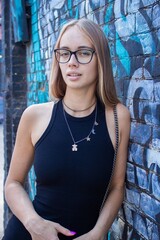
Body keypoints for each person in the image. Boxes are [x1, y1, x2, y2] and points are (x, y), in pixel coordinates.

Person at [3, 18, 130, 240]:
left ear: (100, 58)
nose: (71, 62)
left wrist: (98, 233)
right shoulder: (35, 116)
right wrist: (34, 223)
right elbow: (12, 183)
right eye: (64, 53)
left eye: (83, 53)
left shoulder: (118, 117)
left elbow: (117, 187)